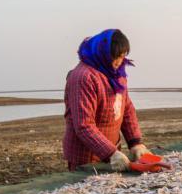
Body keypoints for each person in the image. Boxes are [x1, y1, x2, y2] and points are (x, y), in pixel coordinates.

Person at [62, 29, 150, 172]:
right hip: (85, 157)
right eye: (115, 57)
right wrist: (111, 153)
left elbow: (126, 108)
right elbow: (84, 126)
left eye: (122, 57)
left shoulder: (117, 74)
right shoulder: (84, 77)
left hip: (112, 152)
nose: (118, 62)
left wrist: (135, 142)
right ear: (102, 53)